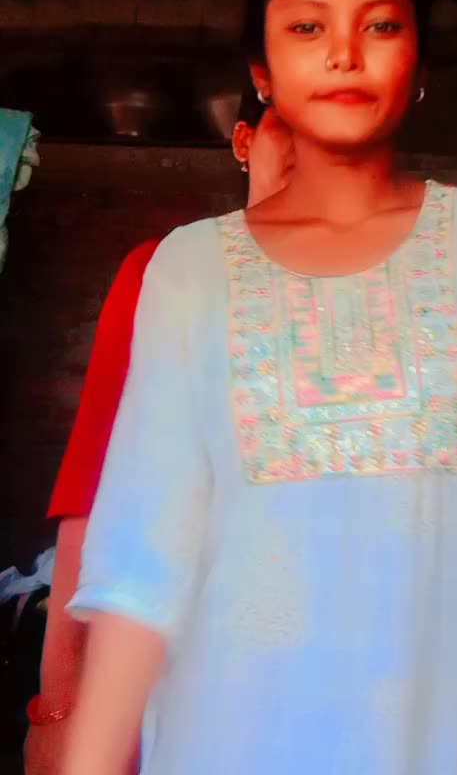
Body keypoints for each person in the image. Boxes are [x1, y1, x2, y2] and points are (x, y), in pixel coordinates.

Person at [63, 0, 457, 775]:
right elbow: (139, 576)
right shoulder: (190, 269)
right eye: (308, 26)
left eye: (380, 24)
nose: (344, 53)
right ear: (262, 71)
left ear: (419, 61)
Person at [23, 99, 293, 775]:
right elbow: (91, 489)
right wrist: (58, 703)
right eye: (289, 126)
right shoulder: (163, 272)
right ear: (244, 140)